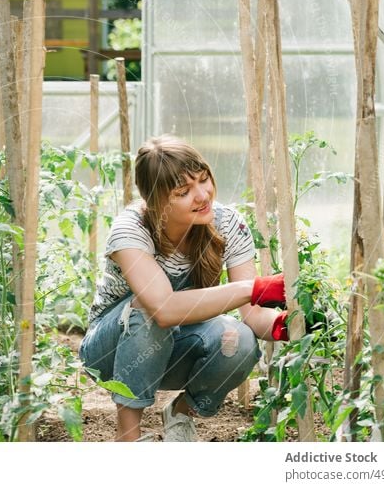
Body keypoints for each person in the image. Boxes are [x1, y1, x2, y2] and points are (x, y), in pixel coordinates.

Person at [79, 135, 290, 442]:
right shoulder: (132, 229)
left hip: (177, 345)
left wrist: (286, 325)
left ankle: (181, 412)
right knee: (148, 311)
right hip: (108, 353)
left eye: (204, 180)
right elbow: (163, 309)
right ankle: (128, 437)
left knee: (240, 339)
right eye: (184, 191)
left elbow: (253, 317)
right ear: (156, 201)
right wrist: (253, 287)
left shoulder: (228, 224)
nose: (203, 195)